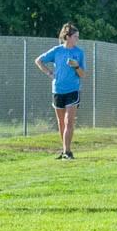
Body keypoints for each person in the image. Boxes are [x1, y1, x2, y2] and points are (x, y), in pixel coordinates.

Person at [34, 23, 87, 159]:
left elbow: (83, 75)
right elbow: (39, 61)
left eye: (78, 37)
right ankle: (64, 150)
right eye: (75, 37)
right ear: (67, 37)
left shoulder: (79, 52)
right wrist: (49, 73)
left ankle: (68, 152)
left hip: (73, 90)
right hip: (58, 90)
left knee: (69, 121)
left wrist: (76, 66)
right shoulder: (57, 51)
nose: (77, 39)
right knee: (61, 122)